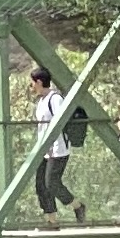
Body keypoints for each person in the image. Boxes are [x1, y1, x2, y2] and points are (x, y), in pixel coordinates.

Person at [29, 65, 74, 219]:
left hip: (57, 148)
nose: (31, 86)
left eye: (32, 83)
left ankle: (76, 205)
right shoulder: (41, 101)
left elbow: (61, 123)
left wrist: (51, 144)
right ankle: (52, 220)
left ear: (39, 82)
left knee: (52, 183)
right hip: (44, 150)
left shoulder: (55, 99)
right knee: (41, 185)